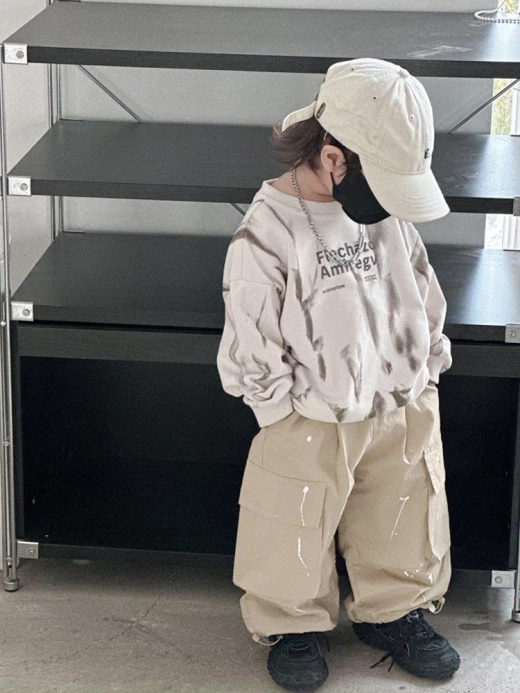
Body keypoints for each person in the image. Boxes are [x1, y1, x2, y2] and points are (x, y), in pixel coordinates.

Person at [216, 57, 461, 692]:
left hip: (400, 399)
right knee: (293, 518)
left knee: (404, 509)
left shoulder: (385, 212)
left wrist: (429, 366)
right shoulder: (267, 230)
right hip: (310, 412)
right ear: (332, 157)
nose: (391, 203)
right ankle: (292, 622)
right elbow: (251, 330)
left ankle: (395, 610)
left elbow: (418, 281)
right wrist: (276, 409)